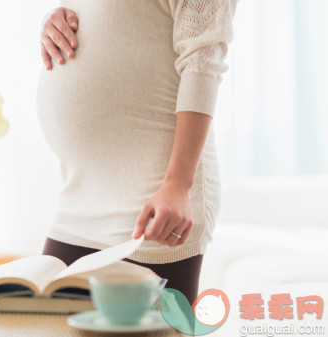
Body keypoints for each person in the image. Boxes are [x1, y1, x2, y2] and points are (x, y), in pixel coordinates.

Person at [37, 0, 237, 305]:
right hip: (77, 201)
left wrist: (179, 184)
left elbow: (202, 62)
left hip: (152, 198)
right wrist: (55, 21)